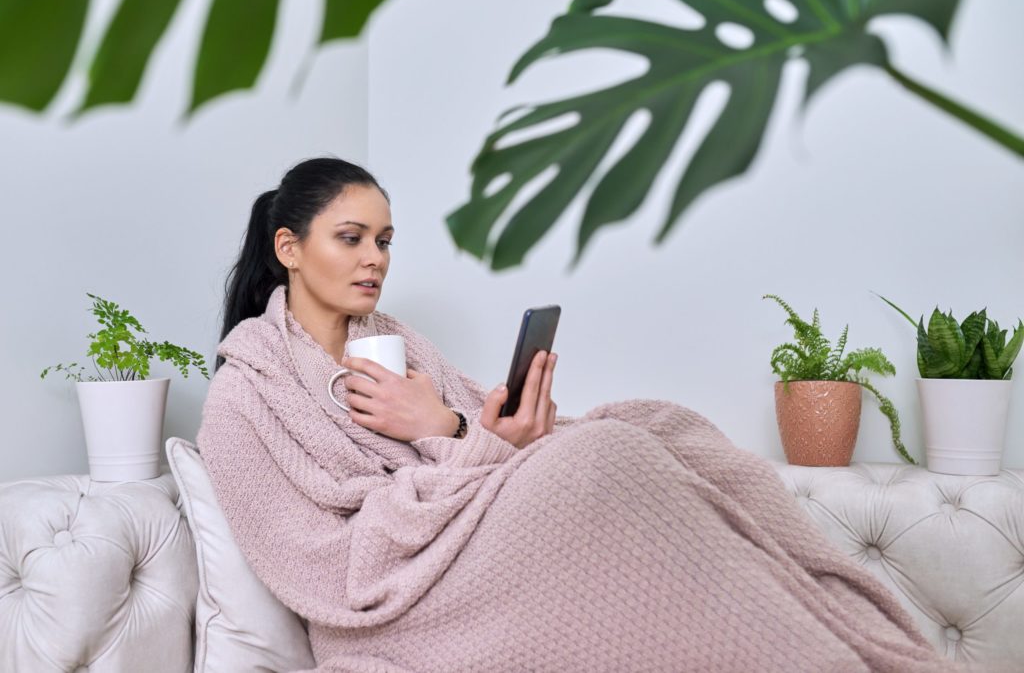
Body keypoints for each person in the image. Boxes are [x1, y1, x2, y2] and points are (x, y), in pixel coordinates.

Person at [198, 157, 969, 673]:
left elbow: (478, 441)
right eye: (352, 238)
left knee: (651, 428)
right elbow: (327, 569)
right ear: (290, 248)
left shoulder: (398, 341)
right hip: (394, 605)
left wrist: (469, 429)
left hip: (471, 540)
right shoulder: (246, 394)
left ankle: (829, 641)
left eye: (387, 240)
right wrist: (457, 440)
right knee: (600, 458)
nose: (376, 259)